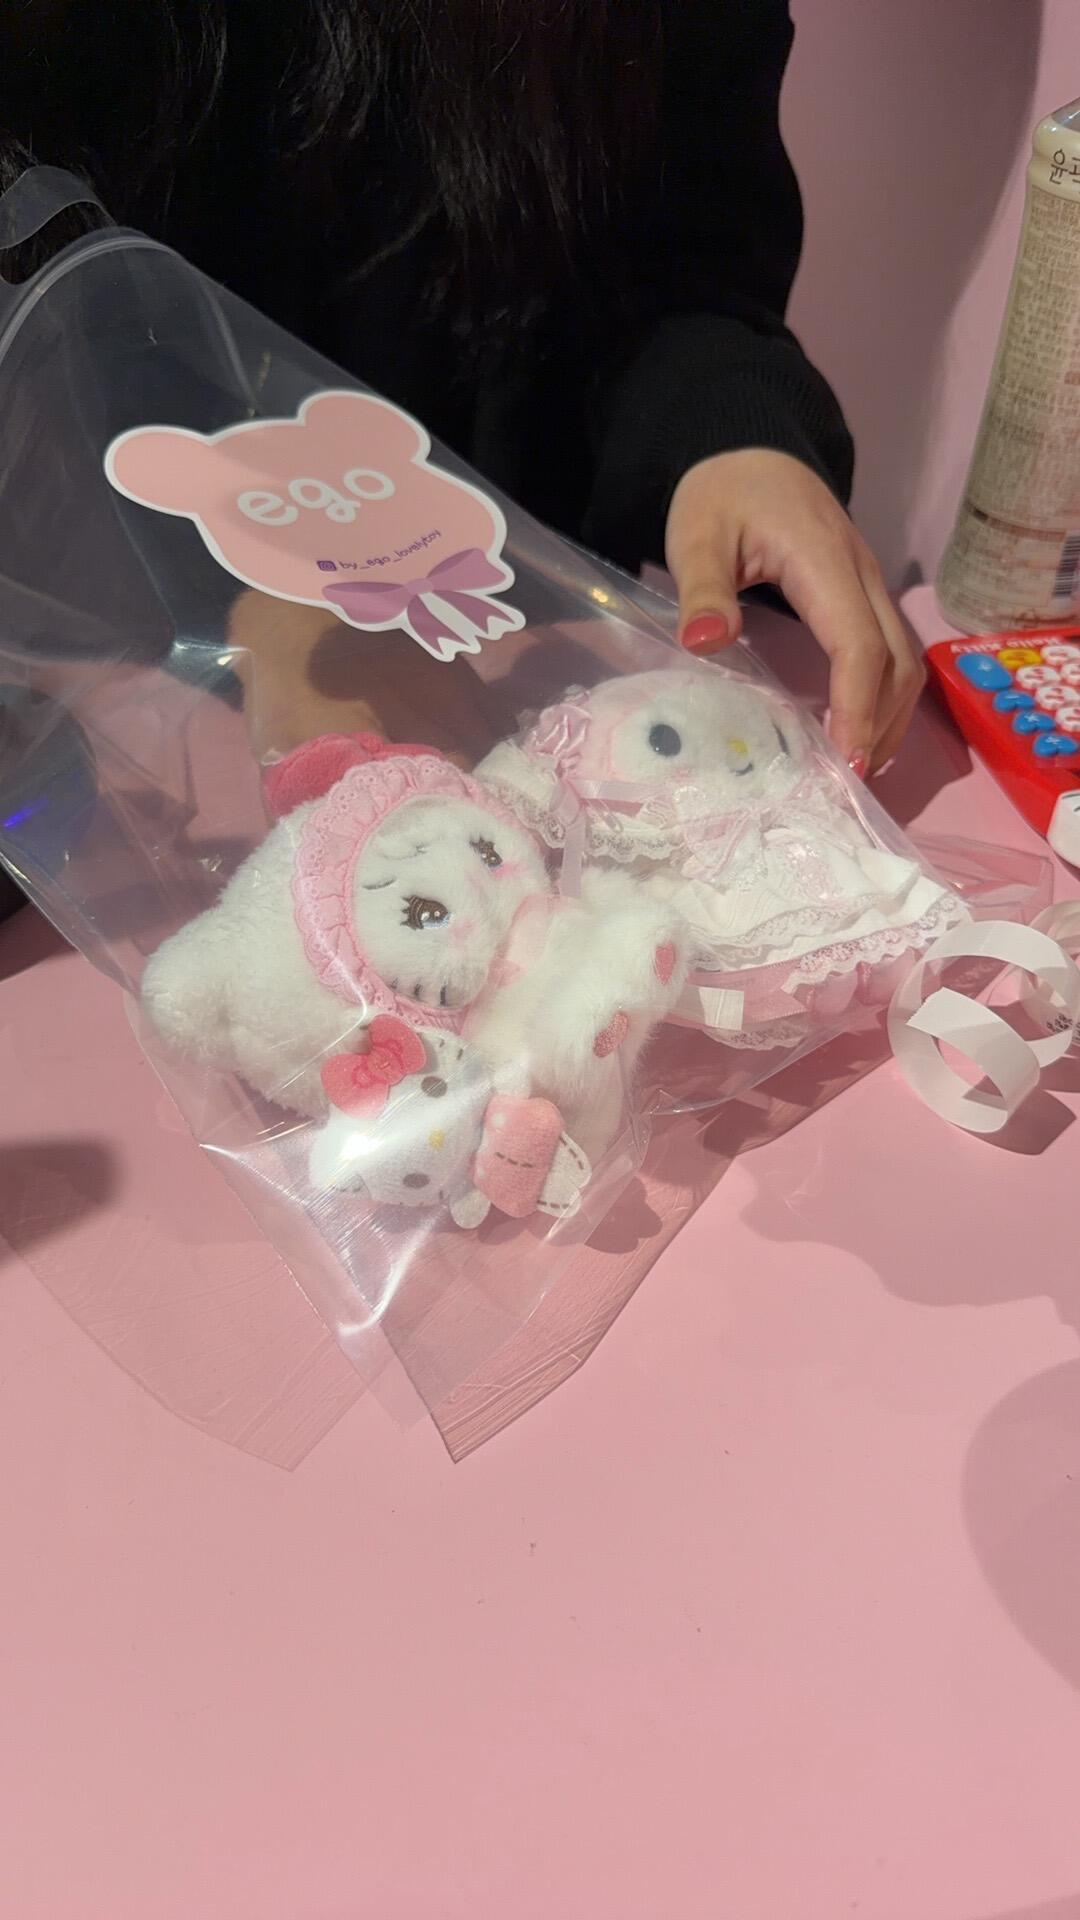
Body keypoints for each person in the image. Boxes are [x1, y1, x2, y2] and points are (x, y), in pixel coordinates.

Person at [0, 0, 922, 780]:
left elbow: (686, 265)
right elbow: (55, 310)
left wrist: (731, 436)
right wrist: (248, 583)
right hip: (100, 693)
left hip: (513, 637)